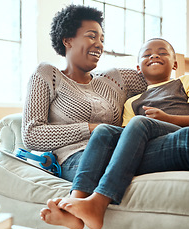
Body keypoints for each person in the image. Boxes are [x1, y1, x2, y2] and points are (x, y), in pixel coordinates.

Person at [40, 38, 189, 229]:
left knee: (140, 122)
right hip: (157, 146)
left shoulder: (187, 81)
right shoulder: (133, 101)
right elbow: (127, 138)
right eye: (147, 54)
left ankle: (98, 202)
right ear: (138, 68)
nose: (154, 55)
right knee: (103, 131)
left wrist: (168, 118)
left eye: (163, 52)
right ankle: (75, 203)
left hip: (184, 136)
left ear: (175, 64)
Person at [22, 5, 147, 184]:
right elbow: (32, 134)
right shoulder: (47, 74)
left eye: (102, 39)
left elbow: (159, 80)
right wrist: (92, 128)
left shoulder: (114, 78)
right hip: (76, 158)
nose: (99, 44)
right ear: (67, 40)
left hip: (122, 151)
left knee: (187, 142)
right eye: (91, 36)